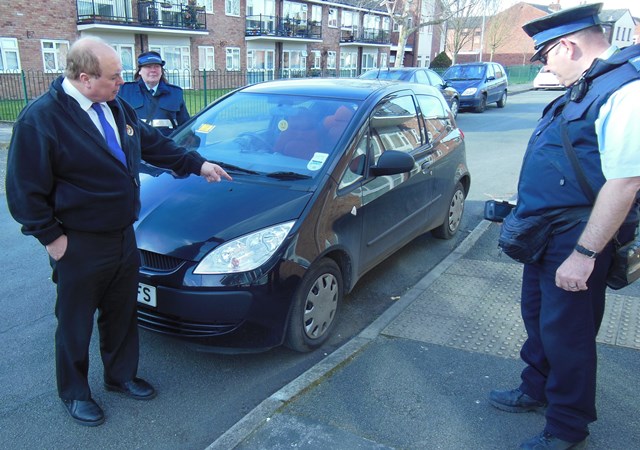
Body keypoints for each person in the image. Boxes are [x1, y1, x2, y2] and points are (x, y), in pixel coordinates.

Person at [5, 37, 231, 427]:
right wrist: (52, 238)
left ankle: (120, 376)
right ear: (83, 78)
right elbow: (24, 190)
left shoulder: (114, 104)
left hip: (124, 235)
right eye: (114, 76)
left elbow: (153, 144)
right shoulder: (41, 119)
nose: (122, 81)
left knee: (121, 312)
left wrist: (198, 164)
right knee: (75, 322)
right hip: (78, 242)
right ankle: (75, 392)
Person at [489, 4, 640, 449]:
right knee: (538, 319)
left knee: (568, 335)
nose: (543, 65)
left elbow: (627, 180)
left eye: (544, 56)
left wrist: (585, 255)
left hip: (577, 239)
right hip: (545, 235)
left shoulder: (624, 92)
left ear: (567, 45)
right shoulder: (586, 88)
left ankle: (567, 427)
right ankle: (534, 388)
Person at [118, 51, 189, 136]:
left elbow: (185, 126)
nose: (153, 70)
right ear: (140, 71)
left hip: (166, 146)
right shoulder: (125, 91)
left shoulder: (175, 94)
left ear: (161, 71)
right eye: (148, 66)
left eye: (157, 66)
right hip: (137, 146)